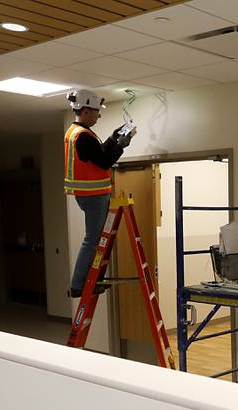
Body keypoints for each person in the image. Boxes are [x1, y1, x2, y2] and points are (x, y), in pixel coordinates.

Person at [64, 89, 133, 298]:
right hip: (93, 195)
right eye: (96, 111)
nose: (98, 115)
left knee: (92, 239)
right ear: (85, 110)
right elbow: (104, 160)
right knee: (92, 240)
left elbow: (99, 153)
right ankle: (79, 285)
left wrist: (113, 138)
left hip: (87, 194)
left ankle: (84, 282)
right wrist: (120, 146)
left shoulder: (76, 133)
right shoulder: (83, 136)